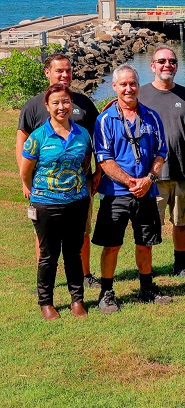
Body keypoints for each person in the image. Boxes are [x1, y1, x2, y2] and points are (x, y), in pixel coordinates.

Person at [17, 53, 101, 290]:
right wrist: (26, 181)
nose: (64, 75)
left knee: (81, 231)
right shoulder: (33, 106)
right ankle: (46, 281)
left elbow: (97, 143)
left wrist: (97, 174)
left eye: (68, 71)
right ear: (47, 73)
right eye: (59, 71)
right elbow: (22, 143)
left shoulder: (83, 103)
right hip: (43, 188)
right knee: (44, 236)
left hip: (79, 185)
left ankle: (84, 274)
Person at [92, 64, 169, 313]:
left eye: (132, 83)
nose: (128, 88)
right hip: (116, 194)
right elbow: (104, 159)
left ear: (138, 85)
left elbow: (161, 152)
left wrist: (148, 179)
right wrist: (130, 182)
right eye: (123, 84)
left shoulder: (152, 116)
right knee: (112, 245)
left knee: (145, 243)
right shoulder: (105, 120)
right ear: (114, 87)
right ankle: (106, 292)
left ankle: (146, 287)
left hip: (146, 191)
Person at [20, 84, 93, 320]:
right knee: (48, 255)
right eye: (56, 103)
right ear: (47, 106)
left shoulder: (82, 134)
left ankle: (77, 300)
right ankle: (46, 302)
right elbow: (25, 172)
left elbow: (85, 164)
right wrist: (39, 194)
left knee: (73, 253)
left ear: (71, 104)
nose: (61, 107)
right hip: (46, 204)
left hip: (77, 202)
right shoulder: (38, 137)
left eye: (65, 102)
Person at [139, 45, 185, 278]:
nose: (167, 65)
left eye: (172, 61)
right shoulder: (140, 94)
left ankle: (180, 264)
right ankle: (146, 269)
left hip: (181, 172)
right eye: (162, 61)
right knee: (148, 225)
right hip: (151, 177)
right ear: (153, 66)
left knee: (182, 222)